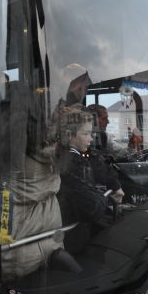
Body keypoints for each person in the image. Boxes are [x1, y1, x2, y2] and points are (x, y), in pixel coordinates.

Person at [56, 106, 116, 254]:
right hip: (74, 239)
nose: (90, 139)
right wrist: (103, 197)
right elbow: (92, 207)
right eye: (86, 133)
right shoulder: (73, 162)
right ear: (70, 135)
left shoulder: (66, 156)